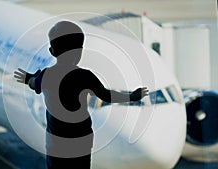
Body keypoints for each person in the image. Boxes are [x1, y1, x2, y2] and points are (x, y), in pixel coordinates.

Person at [14, 21, 148, 169]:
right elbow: (107, 95)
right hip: (81, 139)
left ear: (52, 51)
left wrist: (29, 78)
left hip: (56, 141)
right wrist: (131, 96)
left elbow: (34, 83)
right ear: (80, 51)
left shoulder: (47, 75)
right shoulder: (85, 76)